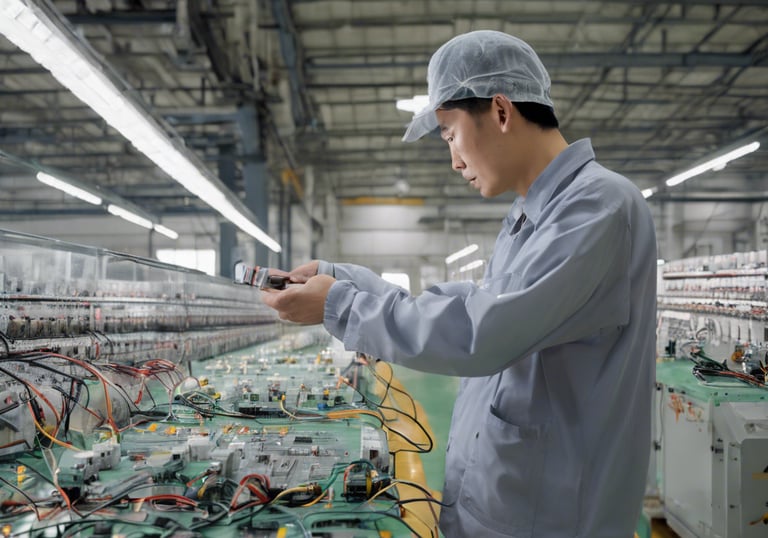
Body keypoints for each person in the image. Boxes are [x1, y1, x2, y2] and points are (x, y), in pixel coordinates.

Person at [261, 30, 656, 538]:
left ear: (500, 112)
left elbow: (481, 334)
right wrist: (341, 279)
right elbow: (467, 308)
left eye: (449, 133)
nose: (453, 159)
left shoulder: (597, 209)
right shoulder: (530, 214)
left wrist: (340, 306)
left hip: (553, 517)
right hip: (507, 502)